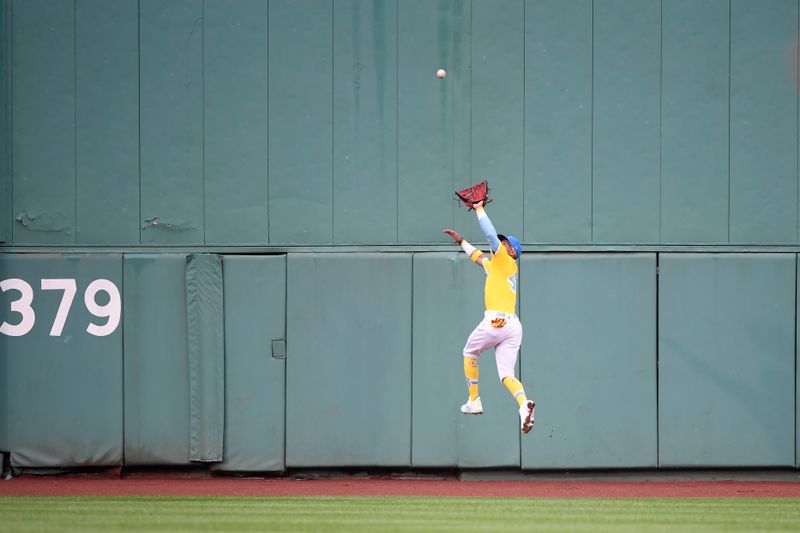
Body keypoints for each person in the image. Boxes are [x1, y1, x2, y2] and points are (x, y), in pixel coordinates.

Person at [443, 201, 535, 433]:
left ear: (512, 252)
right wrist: (461, 241)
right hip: (513, 325)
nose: (501, 246)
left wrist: (478, 209)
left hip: (496, 321)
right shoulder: (497, 268)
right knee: (506, 374)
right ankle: (524, 405)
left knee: (469, 352)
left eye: (506, 245)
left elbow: (491, 236)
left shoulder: (506, 260)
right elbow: (478, 257)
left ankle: (474, 400)